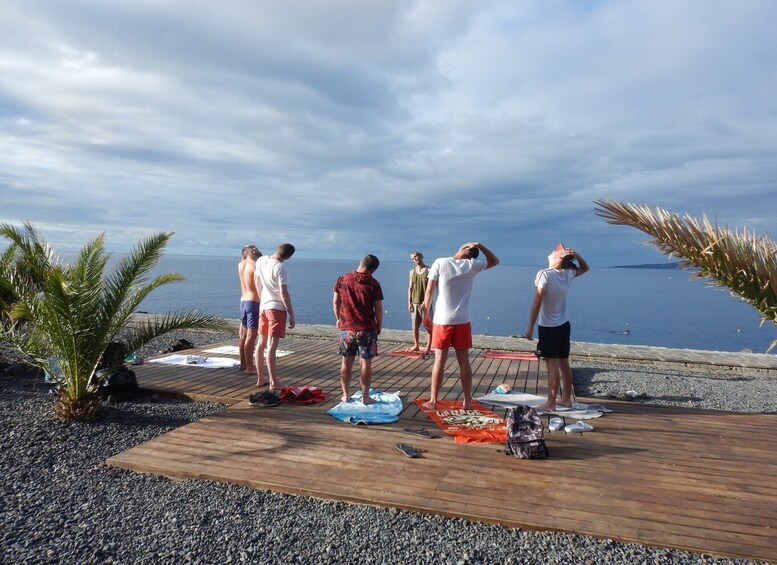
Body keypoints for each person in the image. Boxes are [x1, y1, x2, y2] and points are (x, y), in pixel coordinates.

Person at [422, 242, 499, 410]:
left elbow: (429, 292)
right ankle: (467, 402)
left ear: (464, 249)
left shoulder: (440, 262)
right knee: (464, 363)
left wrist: (425, 313)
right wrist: (481, 245)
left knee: (439, 362)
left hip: (443, 321)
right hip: (463, 320)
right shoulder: (472, 265)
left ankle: (434, 401)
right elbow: (494, 261)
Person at [524, 245, 590, 411]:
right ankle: (566, 399)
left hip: (548, 326)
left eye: (556, 250)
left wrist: (530, 327)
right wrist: (577, 254)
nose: (553, 250)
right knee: (563, 362)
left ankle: (551, 404)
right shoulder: (568, 273)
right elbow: (586, 268)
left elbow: (536, 303)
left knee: (552, 364)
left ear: (560, 257)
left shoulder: (544, 274)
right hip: (563, 324)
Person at [333, 254, 384, 405]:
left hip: (347, 328)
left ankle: (345, 395)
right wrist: (379, 324)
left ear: (361, 263)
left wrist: (338, 319)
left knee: (346, 362)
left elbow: (336, 303)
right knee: (366, 363)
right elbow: (378, 309)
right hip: (367, 328)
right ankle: (365, 397)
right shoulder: (374, 283)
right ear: (373, 269)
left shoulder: (342, 279)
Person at [253, 243, 296, 389]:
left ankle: (260, 378)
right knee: (271, 346)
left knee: (260, 343)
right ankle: (273, 381)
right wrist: (291, 313)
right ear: (288, 257)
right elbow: (284, 293)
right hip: (276, 308)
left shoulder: (261, 261)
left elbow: (257, 282)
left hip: (263, 307)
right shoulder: (281, 268)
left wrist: (261, 300)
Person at [238, 244, 262, 373]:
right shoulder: (255, 265)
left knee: (244, 334)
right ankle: (249, 367)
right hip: (253, 302)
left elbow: (243, 257)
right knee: (251, 335)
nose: (260, 251)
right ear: (252, 251)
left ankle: (243, 363)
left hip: (243, 301)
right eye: (257, 249)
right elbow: (260, 286)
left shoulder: (241, 264)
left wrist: (246, 249)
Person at [407, 251, 431, 354]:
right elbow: (410, 288)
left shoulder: (429, 270)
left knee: (428, 326)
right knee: (414, 326)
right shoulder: (412, 272)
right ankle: (416, 345)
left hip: (426, 304)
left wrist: (426, 302)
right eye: (412, 258)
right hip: (415, 302)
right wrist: (409, 302)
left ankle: (429, 347)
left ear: (421, 256)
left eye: (416, 256)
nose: (415, 259)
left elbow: (431, 288)